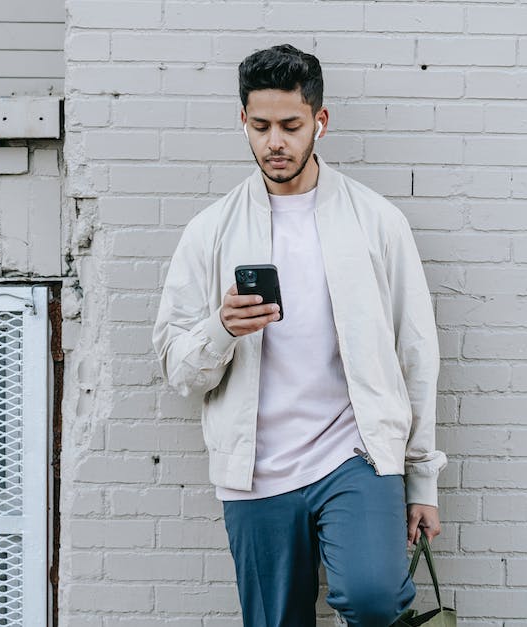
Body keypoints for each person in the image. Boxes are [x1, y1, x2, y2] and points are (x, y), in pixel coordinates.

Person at [151, 44, 446, 627]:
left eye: (290, 125)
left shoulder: (376, 222)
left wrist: (422, 481)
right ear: (243, 121)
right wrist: (221, 328)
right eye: (260, 126)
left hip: (355, 456)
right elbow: (177, 368)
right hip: (256, 470)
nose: (275, 142)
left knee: (375, 599)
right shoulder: (211, 231)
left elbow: (416, 355)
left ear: (320, 120)